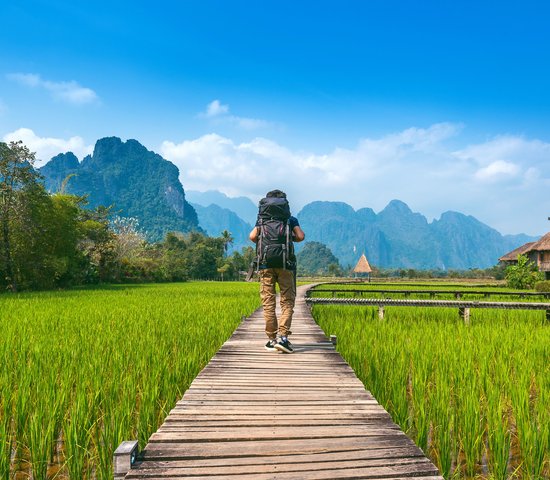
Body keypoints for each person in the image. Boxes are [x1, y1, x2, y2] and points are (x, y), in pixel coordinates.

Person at [249, 190, 305, 353]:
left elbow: (252, 237)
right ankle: (283, 338)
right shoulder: (290, 219)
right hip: (285, 265)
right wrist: (289, 238)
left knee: (269, 302)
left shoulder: (262, 220)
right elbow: (300, 236)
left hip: (266, 265)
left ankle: (271, 339)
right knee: (287, 301)